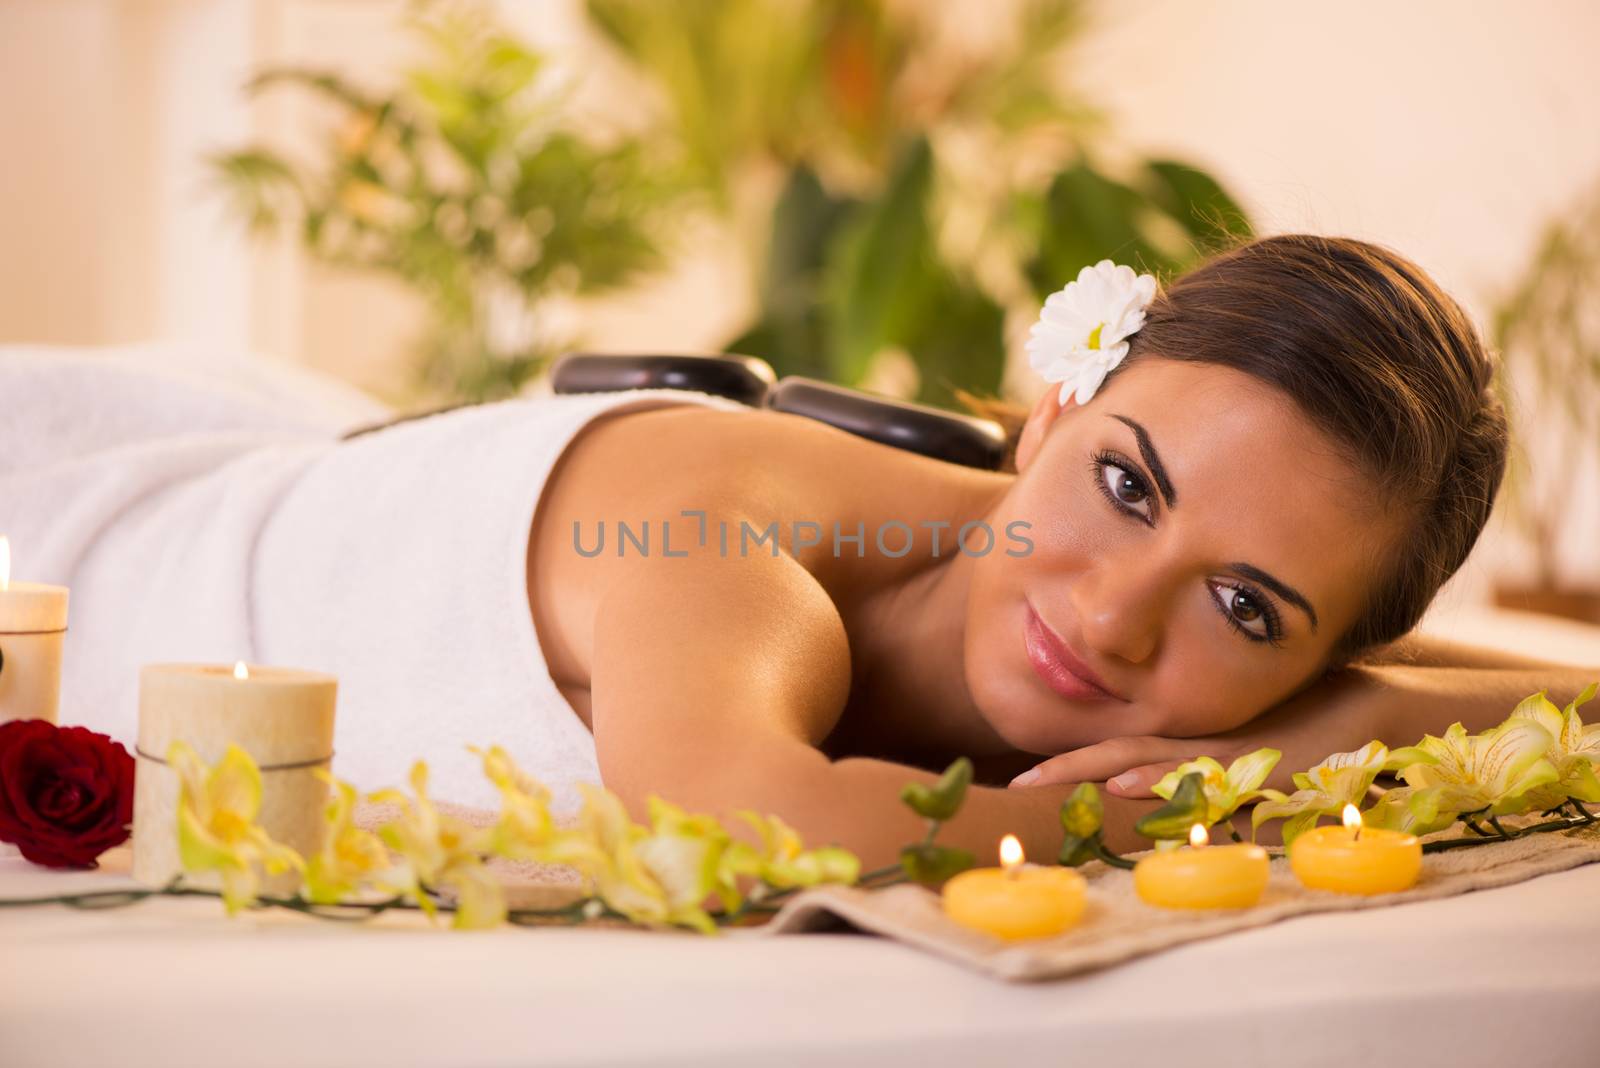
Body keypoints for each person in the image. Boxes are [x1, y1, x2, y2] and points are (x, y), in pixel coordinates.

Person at [526, 233, 1596, 865]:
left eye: (1243, 609)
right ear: (1051, 412)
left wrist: (1359, 720)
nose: (1109, 620)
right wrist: (1196, 812)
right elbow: (736, 829)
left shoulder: (1287, 680)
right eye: (1126, 485)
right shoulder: (734, 540)